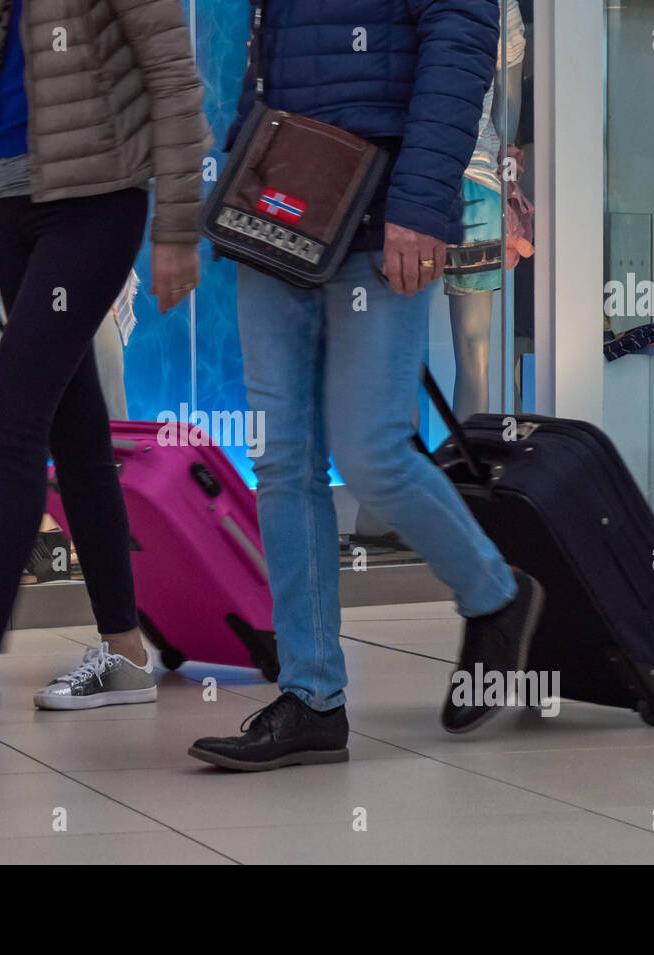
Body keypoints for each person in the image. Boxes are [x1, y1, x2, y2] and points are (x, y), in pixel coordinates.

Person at [188, 0, 544, 772]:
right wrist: (246, 167)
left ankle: (497, 594)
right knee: (283, 457)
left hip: (383, 208)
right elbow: (269, 55)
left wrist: (419, 208)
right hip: (282, 200)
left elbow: (460, 44)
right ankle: (313, 697)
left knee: (372, 446)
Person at [0, 0, 211, 724]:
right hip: (12, 209)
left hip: (92, 207)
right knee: (76, 433)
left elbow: (175, 82)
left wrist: (178, 226)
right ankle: (124, 653)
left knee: (9, 419)